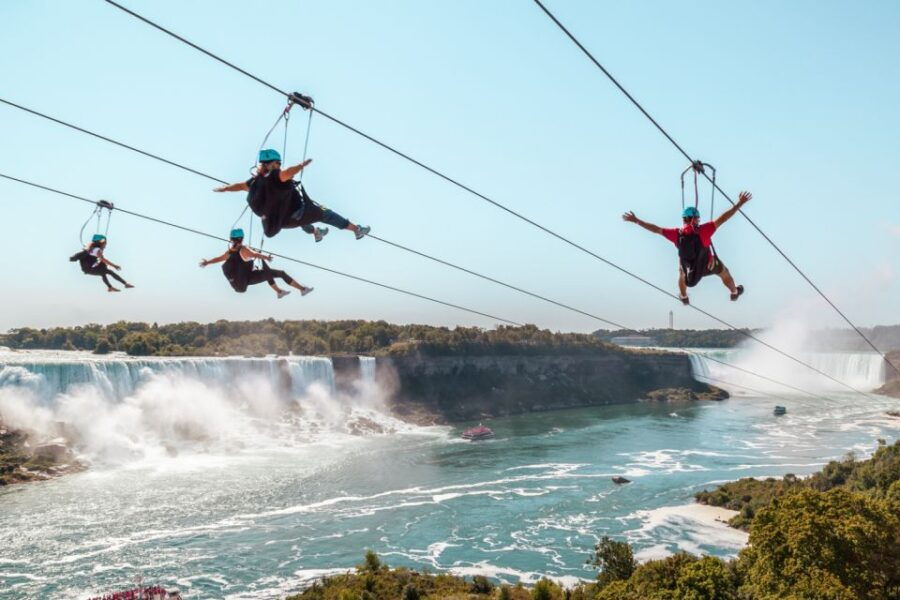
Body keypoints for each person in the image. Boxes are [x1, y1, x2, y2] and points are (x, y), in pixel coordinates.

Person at [622, 191, 752, 304]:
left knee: (681, 272)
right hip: (709, 265)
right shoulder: (704, 230)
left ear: (684, 219)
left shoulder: (676, 234)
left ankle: (683, 296)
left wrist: (636, 220)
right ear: (695, 219)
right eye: (698, 219)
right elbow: (724, 218)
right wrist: (740, 203)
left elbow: (655, 229)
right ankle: (734, 292)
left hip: (690, 271)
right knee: (725, 273)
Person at [213, 149, 370, 241]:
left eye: (279, 163)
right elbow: (287, 173)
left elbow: (240, 186)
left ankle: (316, 233)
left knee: (300, 214)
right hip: (295, 215)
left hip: (283, 221)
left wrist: (225, 188)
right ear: (267, 164)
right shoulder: (276, 175)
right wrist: (300, 166)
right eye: (276, 163)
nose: (279, 166)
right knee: (325, 214)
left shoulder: (255, 182)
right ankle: (356, 229)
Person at [199, 228, 313, 298]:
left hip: (243, 280)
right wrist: (266, 257)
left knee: (268, 272)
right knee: (280, 273)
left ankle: (279, 292)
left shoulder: (230, 252)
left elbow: (219, 258)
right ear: (242, 238)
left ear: (231, 239)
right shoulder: (244, 249)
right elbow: (254, 255)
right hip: (248, 278)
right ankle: (302, 290)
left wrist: (207, 262)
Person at [69, 234, 135, 292]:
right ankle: (125, 284)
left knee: (103, 270)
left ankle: (110, 287)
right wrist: (115, 266)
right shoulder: (97, 250)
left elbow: (97, 258)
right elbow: (103, 259)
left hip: (87, 269)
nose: (106, 245)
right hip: (89, 269)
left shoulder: (91, 248)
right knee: (109, 271)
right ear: (102, 243)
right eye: (105, 243)